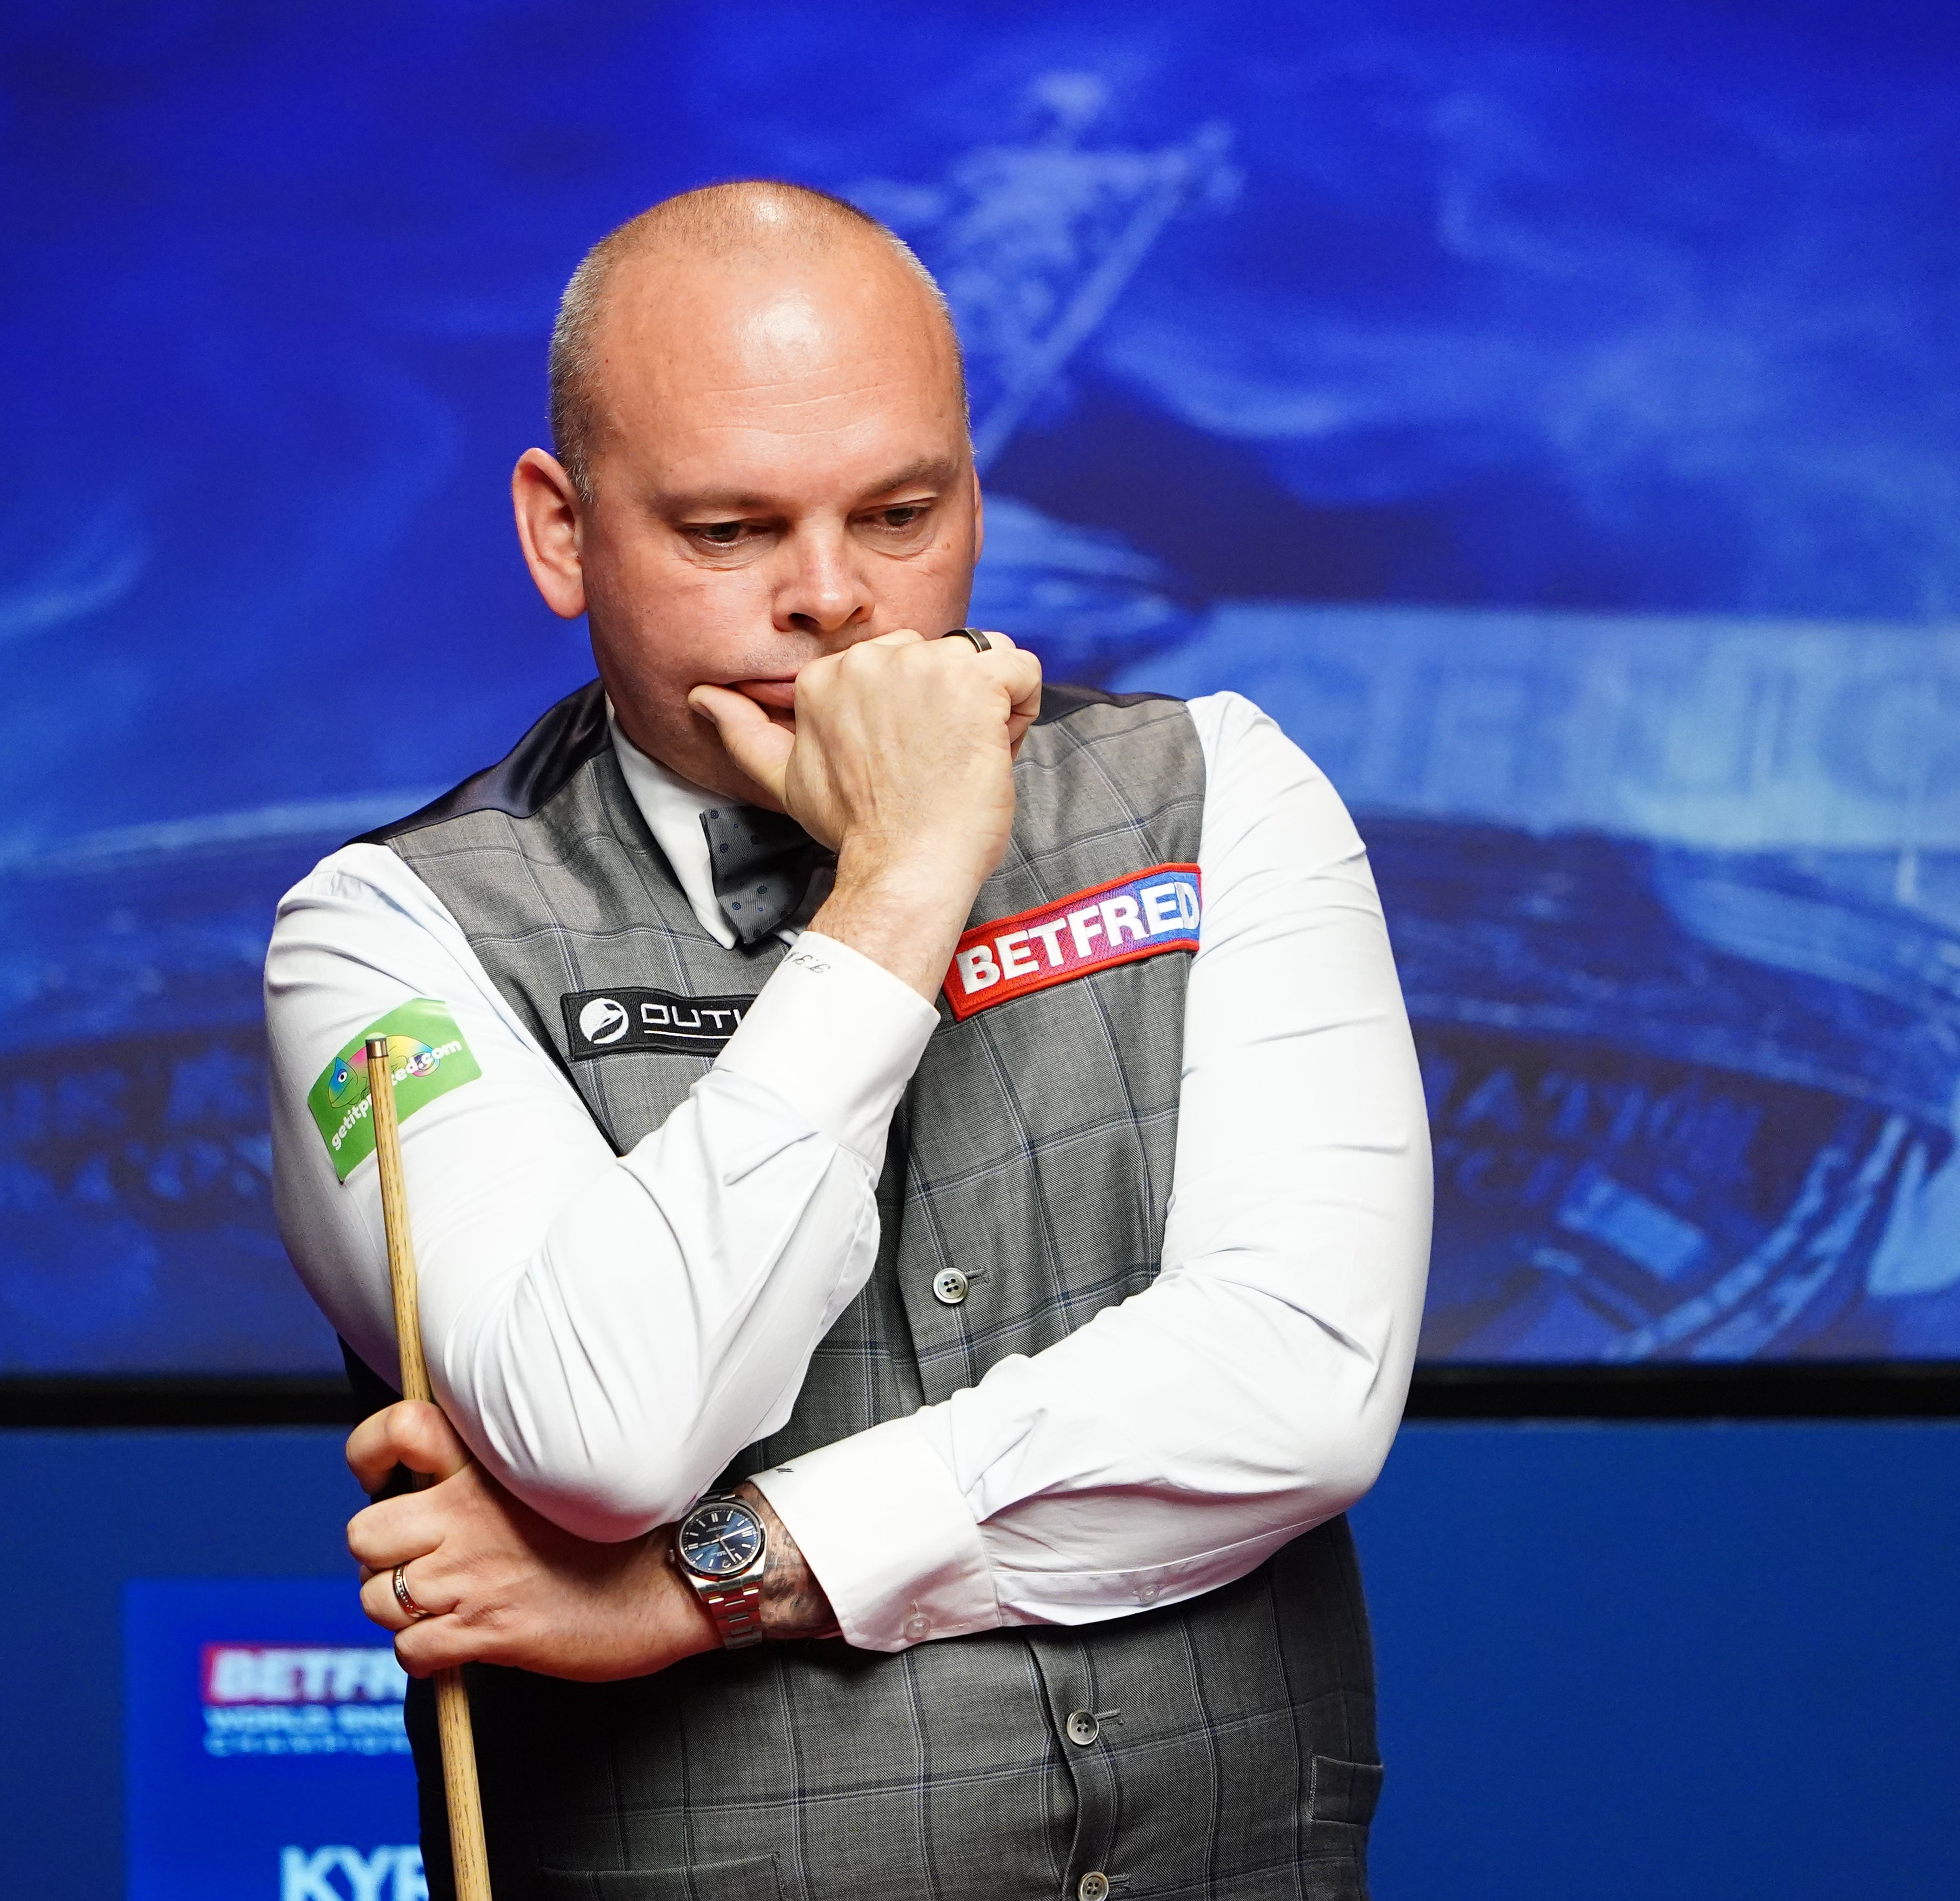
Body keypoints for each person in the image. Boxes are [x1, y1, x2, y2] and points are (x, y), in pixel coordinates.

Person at [265, 180, 1431, 1900]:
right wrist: (899, 879)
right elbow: (607, 1435)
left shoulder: (1221, 790)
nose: (835, 600)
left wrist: (704, 1579)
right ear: (560, 530)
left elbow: (1297, 1382)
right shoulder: (381, 937)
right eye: (727, 533)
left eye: (901, 512)